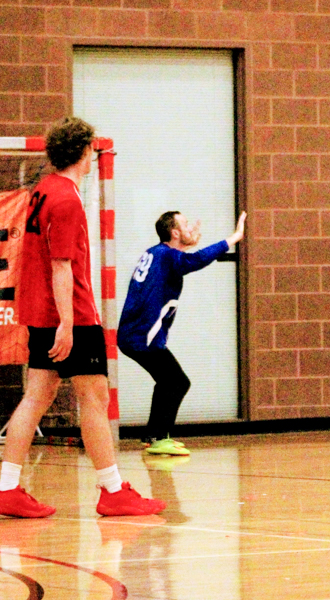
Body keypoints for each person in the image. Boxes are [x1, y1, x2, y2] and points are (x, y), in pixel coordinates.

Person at [0, 116, 165, 518]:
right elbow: (61, 265)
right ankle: (112, 490)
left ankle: (6, 487)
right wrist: (69, 324)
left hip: (39, 310)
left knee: (37, 395)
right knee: (94, 397)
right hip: (67, 313)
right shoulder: (68, 199)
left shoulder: (42, 190)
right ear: (85, 150)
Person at [117, 210, 246, 456]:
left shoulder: (157, 253)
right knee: (177, 382)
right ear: (175, 232)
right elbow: (195, 261)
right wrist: (232, 239)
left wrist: (185, 248)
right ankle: (158, 438)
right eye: (185, 225)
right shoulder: (167, 256)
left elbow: (178, 263)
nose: (190, 228)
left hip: (134, 334)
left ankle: (155, 436)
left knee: (167, 381)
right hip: (142, 336)